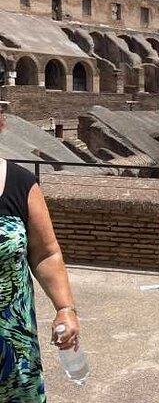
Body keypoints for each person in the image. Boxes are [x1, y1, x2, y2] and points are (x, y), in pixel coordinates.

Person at [0, 105, 81, 402]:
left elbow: (46, 253)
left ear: (1, 122)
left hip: (12, 349)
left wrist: (65, 308)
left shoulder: (20, 183)